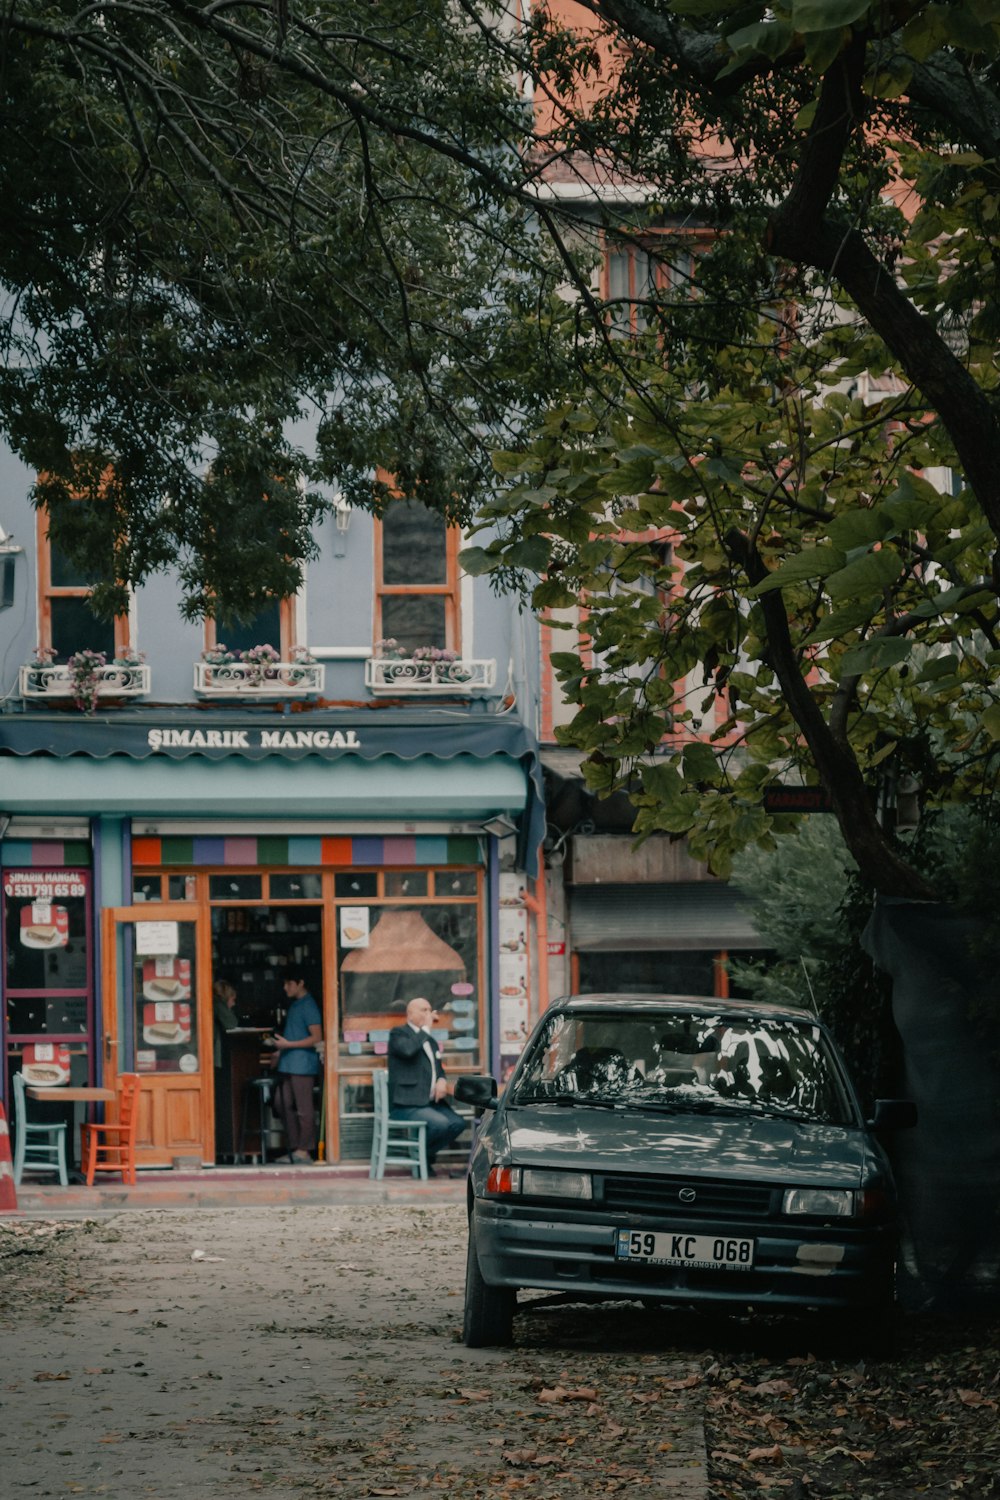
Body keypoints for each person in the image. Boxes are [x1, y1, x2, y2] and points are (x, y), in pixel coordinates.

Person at [387, 996, 466, 1175]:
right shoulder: (398, 1033)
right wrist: (426, 1029)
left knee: (457, 1123)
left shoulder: (429, 1040)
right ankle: (422, 1160)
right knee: (441, 1124)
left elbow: (438, 1068)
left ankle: (422, 1156)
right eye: (423, 1010)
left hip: (429, 1103)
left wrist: (441, 1080)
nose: (428, 1013)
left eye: (429, 1010)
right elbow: (408, 1051)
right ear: (410, 1013)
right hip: (406, 1103)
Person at [269, 973, 322, 1164]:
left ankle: (304, 1149)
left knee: (304, 1109)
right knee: (280, 1103)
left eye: (288, 983)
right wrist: (280, 1052)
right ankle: (295, 1146)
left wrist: (287, 1046)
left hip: (303, 1064)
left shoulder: (309, 1005)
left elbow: (317, 1037)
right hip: (289, 1062)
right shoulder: (296, 1004)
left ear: (300, 983)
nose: (285, 988)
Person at [212, 979, 239, 1069]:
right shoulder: (217, 1004)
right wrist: (226, 1008)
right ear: (226, 997)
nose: (234, 1004)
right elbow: (232, 1024)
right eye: (232, 1000)